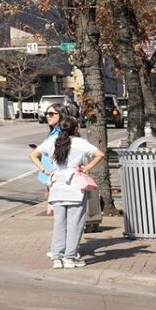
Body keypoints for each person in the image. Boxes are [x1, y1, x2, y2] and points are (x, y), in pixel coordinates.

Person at [31, 105, 104, 268]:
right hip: (75, 187)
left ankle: (57, 257)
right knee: (75, 224)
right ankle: (70, 257)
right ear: (76, 128)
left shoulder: (53, 142)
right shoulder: (80, 143)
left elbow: (33, 154)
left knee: (59, 224)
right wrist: (87, 168)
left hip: (57, 185)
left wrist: (45, 169)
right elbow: (100, 154)